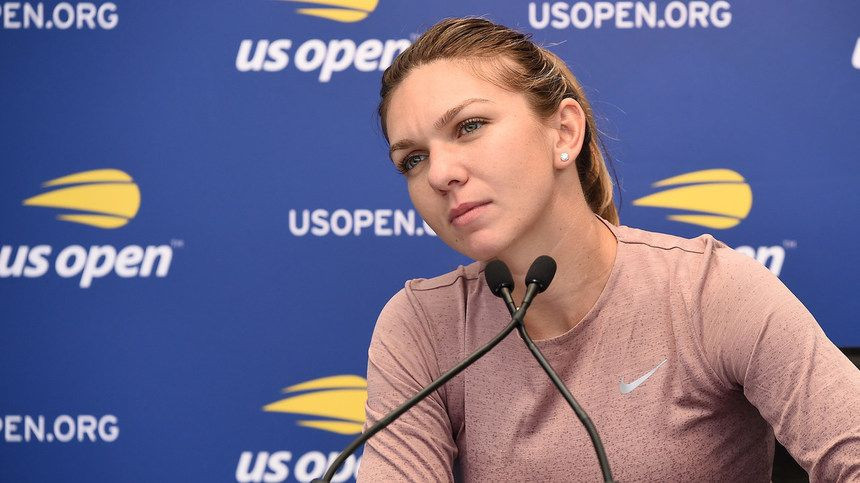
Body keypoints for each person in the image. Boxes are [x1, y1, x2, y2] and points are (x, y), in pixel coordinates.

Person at [358, 17, 860, 482]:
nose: (441, 174)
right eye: (413, 159)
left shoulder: (710, 291)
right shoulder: (423, 324)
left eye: (469, 127)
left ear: (564, 131)